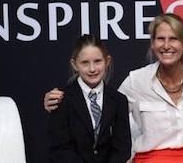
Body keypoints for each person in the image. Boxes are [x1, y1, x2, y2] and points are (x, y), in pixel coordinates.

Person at [45, 13, 183, 162]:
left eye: (173, 39)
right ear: (153, 44)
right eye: (160, 39)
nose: (166, 45)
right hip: (149, 159)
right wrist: (52, 101)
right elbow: (103, 111)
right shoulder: (136, 80)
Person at [48, 34, 131, 163]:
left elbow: (122, 149)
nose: (92, 69)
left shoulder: (119, 101)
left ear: (107, 61)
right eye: (85, 63)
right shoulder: (61, 99)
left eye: (97, 61)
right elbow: (61, 148)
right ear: (74, 65)